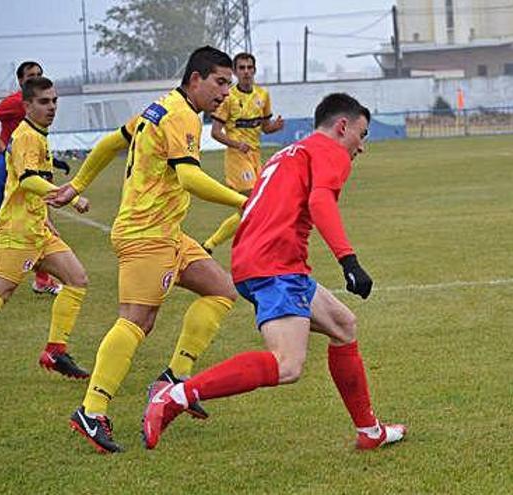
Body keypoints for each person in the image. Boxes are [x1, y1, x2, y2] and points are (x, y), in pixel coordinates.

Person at [141, 93, 406, 452]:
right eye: (362, 135)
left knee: (343, 325)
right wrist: (349, 260)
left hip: (261, 260)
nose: (361, 147)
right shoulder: (331, 151)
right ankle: (175, 395)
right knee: (287, 365)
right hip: (275, 265)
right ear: (343, 126)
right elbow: (320, 201)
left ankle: (369, 431)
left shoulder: (291, 152)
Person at [54, 46, 248, 454]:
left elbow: (110, 143)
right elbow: (190, 176)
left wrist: (78, 185)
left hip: (168, 233)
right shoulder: (180, 115)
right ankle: (91, 411)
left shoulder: (159, 107)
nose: (225, 94)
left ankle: (173, 379)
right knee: (137, 322)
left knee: (222, 290)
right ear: (195, 79)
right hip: (146, 234)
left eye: (229, 85)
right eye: (219, 83)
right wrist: (242, 201)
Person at [0, 76, 92, 378]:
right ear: (27, 105)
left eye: (54, 100)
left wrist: (47, 218)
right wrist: (72, 197)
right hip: (17, 232)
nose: (52, 106)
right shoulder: (28, 136)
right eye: (44, 101)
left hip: (38, 230)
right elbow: (29, 180)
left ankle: (55, 353)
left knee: (77, 279)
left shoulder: (38, 134)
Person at [0, 61, 68, 295]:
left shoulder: (37, 104)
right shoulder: (17, 101)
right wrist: (1, 146)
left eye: (39, 74)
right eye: (30, 76)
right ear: (20, 81)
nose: (35, 78)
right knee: (36, 219)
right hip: (10, 166)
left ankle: (42, 279)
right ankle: (42, 279)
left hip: (10, 164)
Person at [202, 51, 284, 253]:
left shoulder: (262, 95)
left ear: (254, 70)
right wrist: (236, 144)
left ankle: (209, 245)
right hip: (237, 158)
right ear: (235, 72)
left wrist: (276, 126)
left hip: (255, 157)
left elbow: (265, 127)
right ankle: (260, 247)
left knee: (249, 208)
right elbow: (215, 133)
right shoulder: (228, 97)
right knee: (255, 203)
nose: (246, 72)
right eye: (242, 68)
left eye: (249, 68)